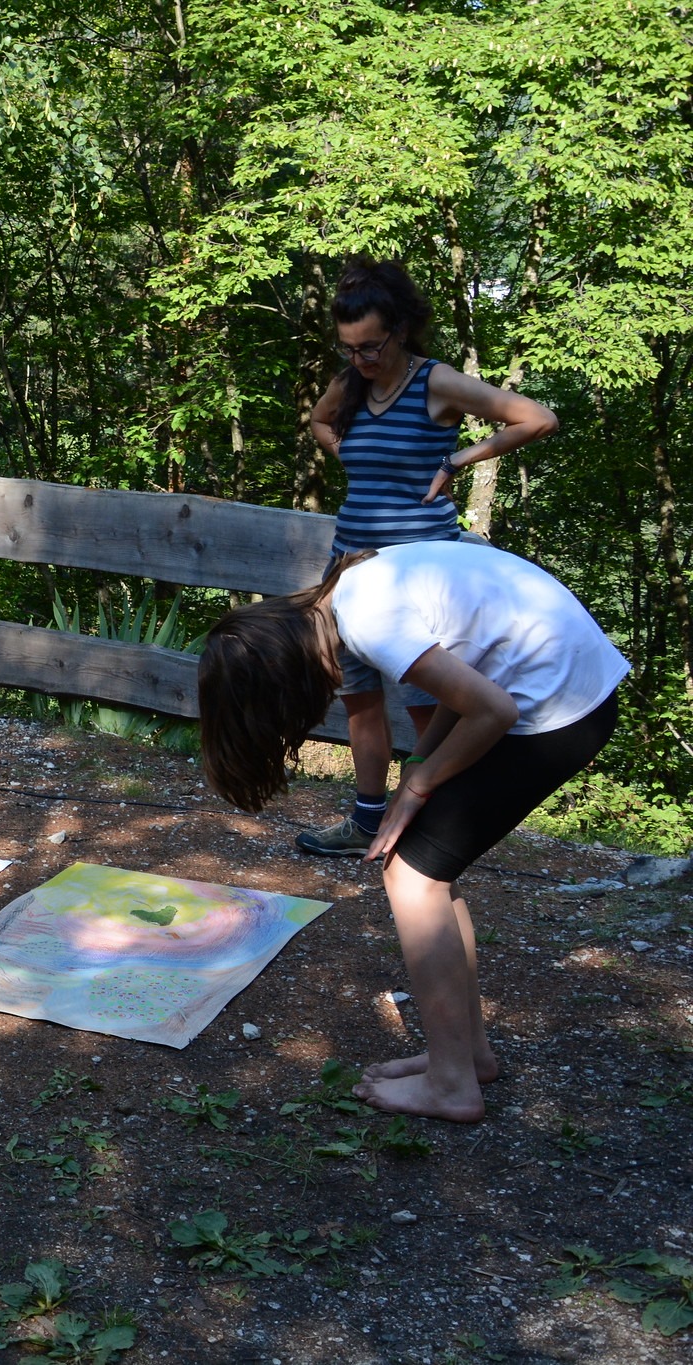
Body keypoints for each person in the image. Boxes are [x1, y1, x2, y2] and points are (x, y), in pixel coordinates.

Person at [197, 540, 626, 1121]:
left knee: (413, 879)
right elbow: (469, 680)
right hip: (568, 688)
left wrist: (420, 787)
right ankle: (468, 1058)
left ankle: (451, 1085)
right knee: (432, 874)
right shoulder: (351, 590)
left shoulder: (368, 622)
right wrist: (416, 774)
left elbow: (493, 710)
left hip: (556, 707)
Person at [295, 258, 559, 857]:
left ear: (402, 329)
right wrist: (347, 454)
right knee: (358, 698)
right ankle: (366, 820)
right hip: (348, 569)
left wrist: (456, 461)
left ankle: (435, 824)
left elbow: (538, 418)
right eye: (349, 348)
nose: (359, 359)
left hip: (418, 578)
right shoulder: (354, 381)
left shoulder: (435, 382)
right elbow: (318, 419)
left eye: (370, 346)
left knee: (429, 708)